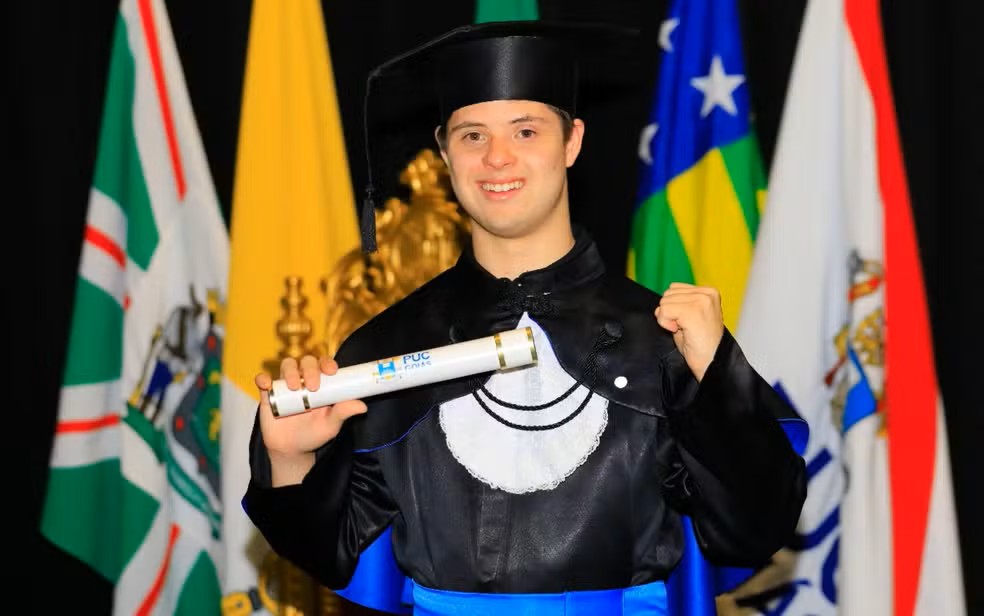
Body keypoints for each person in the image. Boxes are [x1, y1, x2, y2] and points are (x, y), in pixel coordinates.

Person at [243, 20, 808, 615]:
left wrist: (717, 379)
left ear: (572, 142)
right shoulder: (386, 349)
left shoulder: (665, 341)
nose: (497, 158)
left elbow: (753, 528)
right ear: (444, 152)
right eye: (472, 136)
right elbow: (331, 553)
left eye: (526, 130)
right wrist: (290, 459)